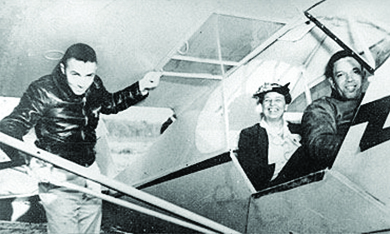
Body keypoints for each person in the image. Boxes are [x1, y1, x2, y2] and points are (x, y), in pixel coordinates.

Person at [0, 43, 161, 234]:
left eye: (89, 75)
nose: (82, 82)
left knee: (90, 231)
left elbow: (110, 104)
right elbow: (8, 128)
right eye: (75, 74)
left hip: (90, 171)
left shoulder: (94, 85)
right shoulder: (42, 90)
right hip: (57, 174)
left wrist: (141, 86)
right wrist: (31, 160)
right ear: (62, 68)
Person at [274, 50, 366, 182]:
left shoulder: (375, 102)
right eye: (341, 75)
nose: (349, 79)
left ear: (363, 76)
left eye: (355, 71)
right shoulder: (321, 107)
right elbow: (319, 145)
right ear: (332, 83)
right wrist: (367, 143)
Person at [236, 82, 301, 191]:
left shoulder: (299, 130)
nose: (272, 104)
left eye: (278, 100)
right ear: (261, 106)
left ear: (286, 106)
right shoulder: (249, 134)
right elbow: (255, 177)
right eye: (267, 100)